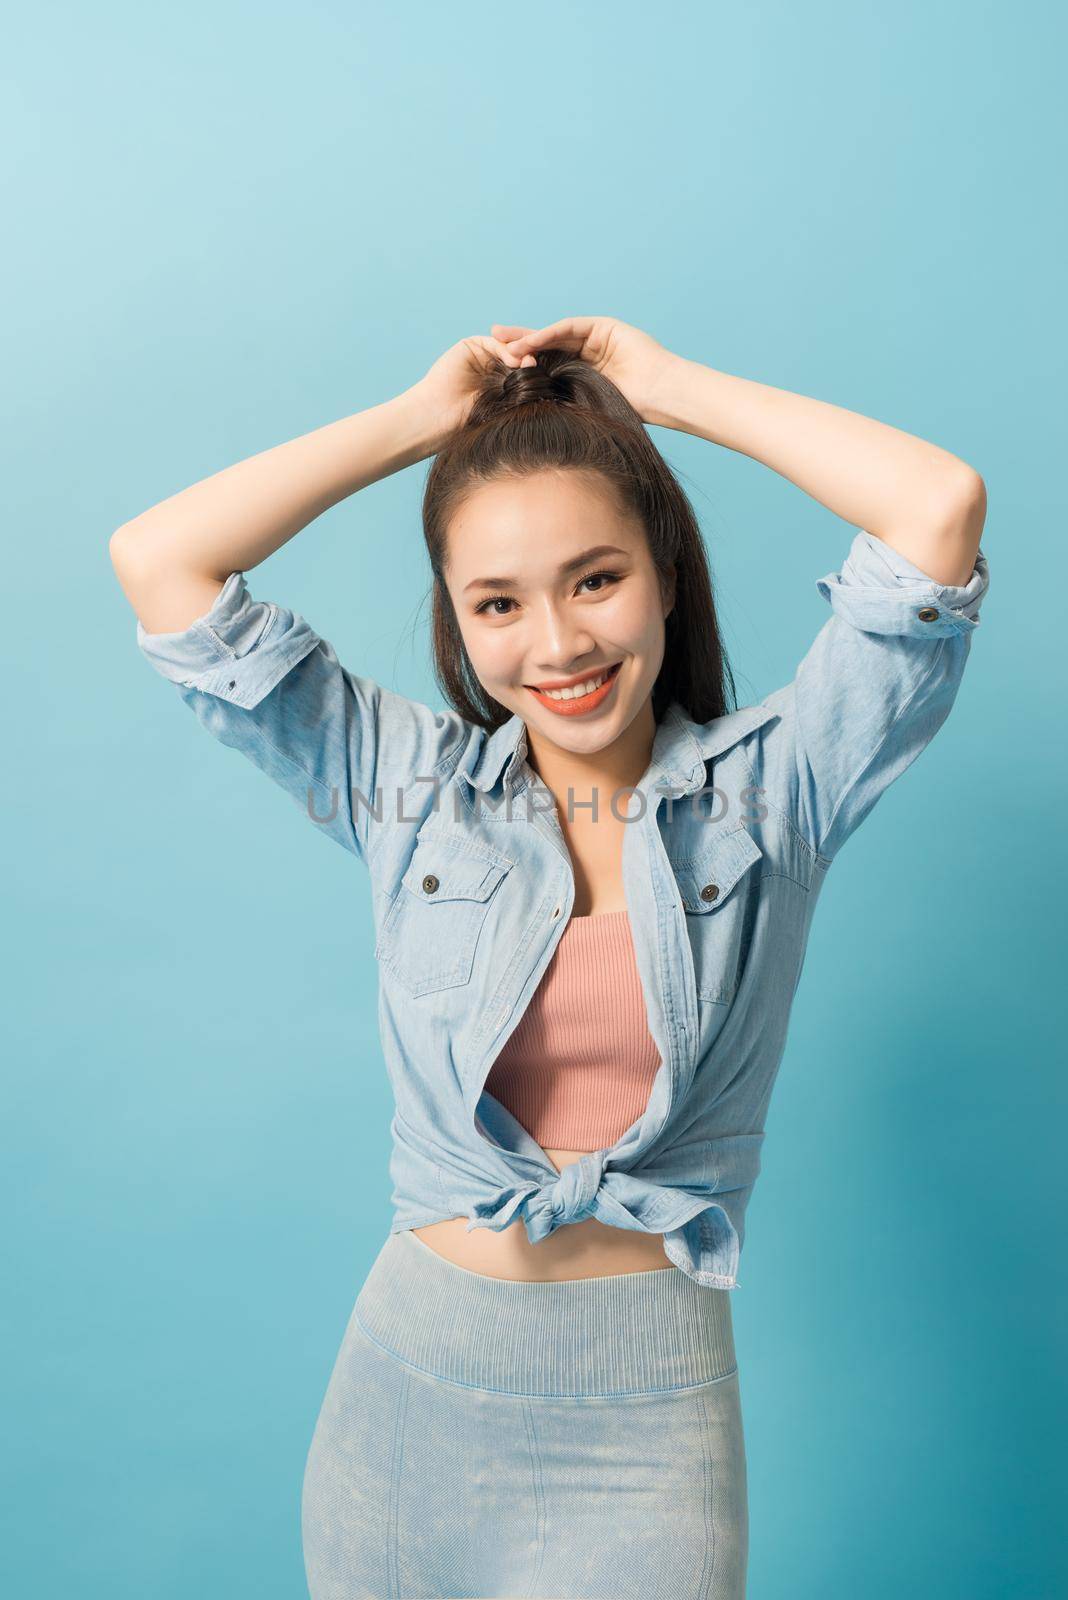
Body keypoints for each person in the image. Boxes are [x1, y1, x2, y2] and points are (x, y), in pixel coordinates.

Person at [110, 315, 990, 1599]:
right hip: (407, 1393)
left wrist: (670, 392)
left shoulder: (778, 793)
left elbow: (937, 506)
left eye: (596, 578)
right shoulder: (403, 783)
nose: (560, 644)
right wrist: (425, 420)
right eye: (498, 603)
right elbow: (161, 561)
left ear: (665, 576)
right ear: (458, 622)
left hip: (654, 1410)